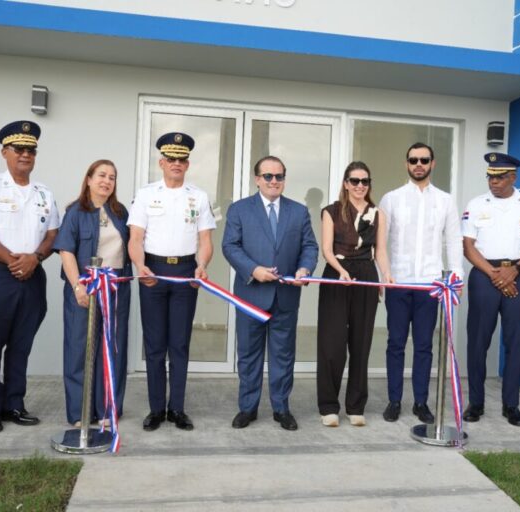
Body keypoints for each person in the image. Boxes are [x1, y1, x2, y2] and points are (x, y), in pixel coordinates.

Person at [0, 120, 60, 433]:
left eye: (31, 149)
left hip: (32, 277)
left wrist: (36, 258)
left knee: (21, 346)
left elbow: (52, 234)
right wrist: (12, 261)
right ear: (4, 152)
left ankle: (14, 404)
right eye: (18, 149)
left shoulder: (44, 193)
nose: (25, 154)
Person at [223, 155, 318, 431]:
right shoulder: (240, 210)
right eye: (268, 176)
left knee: (283, 354)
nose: (274, 181)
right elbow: (230, 246)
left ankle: (281, 408)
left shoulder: (298, 212)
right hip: (251, 294)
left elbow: (309, 247)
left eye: (279, 176)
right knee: (249, 354)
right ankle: (248, 408)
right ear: (257, 179)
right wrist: (253, 270)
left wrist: (304, 269)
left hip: (285, 297)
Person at [127, 132, 215, 432]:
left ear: (187, 164)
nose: (177, 164)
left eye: (182, 159)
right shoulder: (145, 194)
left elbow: (205, 240)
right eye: (172, 159)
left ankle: (177, 408)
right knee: (154, 345)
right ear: (161, 162)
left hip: (185, 273)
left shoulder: (198, 196)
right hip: (153, 271)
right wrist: (140, 266)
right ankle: (155, 410)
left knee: (179, 344)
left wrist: (201, 265)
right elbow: (135, 238)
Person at [379, 143, 463, 424]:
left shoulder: (446, 200)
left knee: (425, 345)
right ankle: (394, 400)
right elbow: (380, 243)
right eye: (413, 160)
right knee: (396, 343)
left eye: (424, 160)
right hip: (399, 283)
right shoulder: (391, 199)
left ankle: (420, 402)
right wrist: (385, 275)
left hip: (430, 284)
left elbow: (453, 240)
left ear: (432, 164)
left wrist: (456, 274)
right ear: (406, 164)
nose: (418, 164)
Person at [461, 152, 520, 427]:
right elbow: (468, 246)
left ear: (513, 177)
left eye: (499, 177)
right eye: (490, 176)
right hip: (485, 275)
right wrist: (495, 274)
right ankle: (476, 403)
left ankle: (511, 405)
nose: (493, 182)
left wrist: (515, 272)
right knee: (477, 341)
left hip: (518, 273)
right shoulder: (476, 204)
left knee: (516, 341)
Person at [53, 159, 131, 427]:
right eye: (101, 175)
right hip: (85, 289)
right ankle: (79, 413)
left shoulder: (120, 213)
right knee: (79, 349)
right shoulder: (75, 212)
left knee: (112, 348)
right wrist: (78, 286)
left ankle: (108, 409)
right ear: (88, 179)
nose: (106, 181)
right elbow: (66, 251)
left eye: (112, 177)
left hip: (116, 288)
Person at [316, 161, 390, 427]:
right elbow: (326, 249)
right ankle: (328, 407)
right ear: (346, 183)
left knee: (361, 341)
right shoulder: (331, 211)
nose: (360, 186)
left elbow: (380, 251)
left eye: (365, 181)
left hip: (366, 274)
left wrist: (385, 276)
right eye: (355, 181)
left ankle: (356, 406)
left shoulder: (378, 214)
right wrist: (340, 271)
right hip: (337, 274)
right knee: (332, 343)